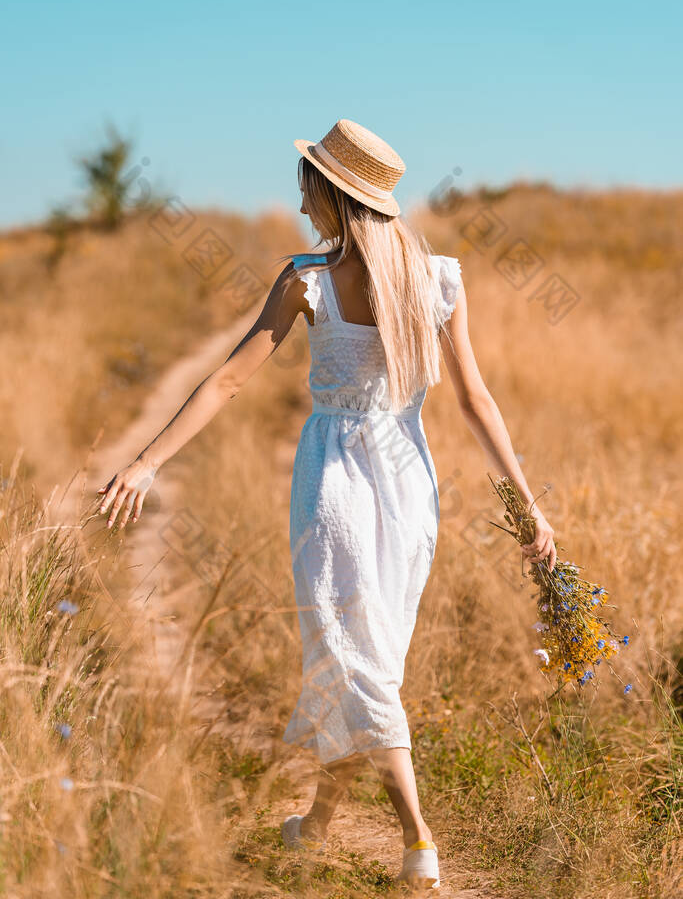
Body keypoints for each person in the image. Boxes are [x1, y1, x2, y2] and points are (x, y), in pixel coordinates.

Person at [96, 119, 557, 890]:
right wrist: (529, 506)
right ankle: (316, 823)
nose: (299, 194)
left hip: (334, 476)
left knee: (355, 657)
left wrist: (147, 462)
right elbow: (476, 402)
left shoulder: (304, 278)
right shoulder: (437, 277)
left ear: (334, 193)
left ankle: (418, 841)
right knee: (364, 654)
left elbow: (227, 380)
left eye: (307, 180)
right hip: (409, 481)